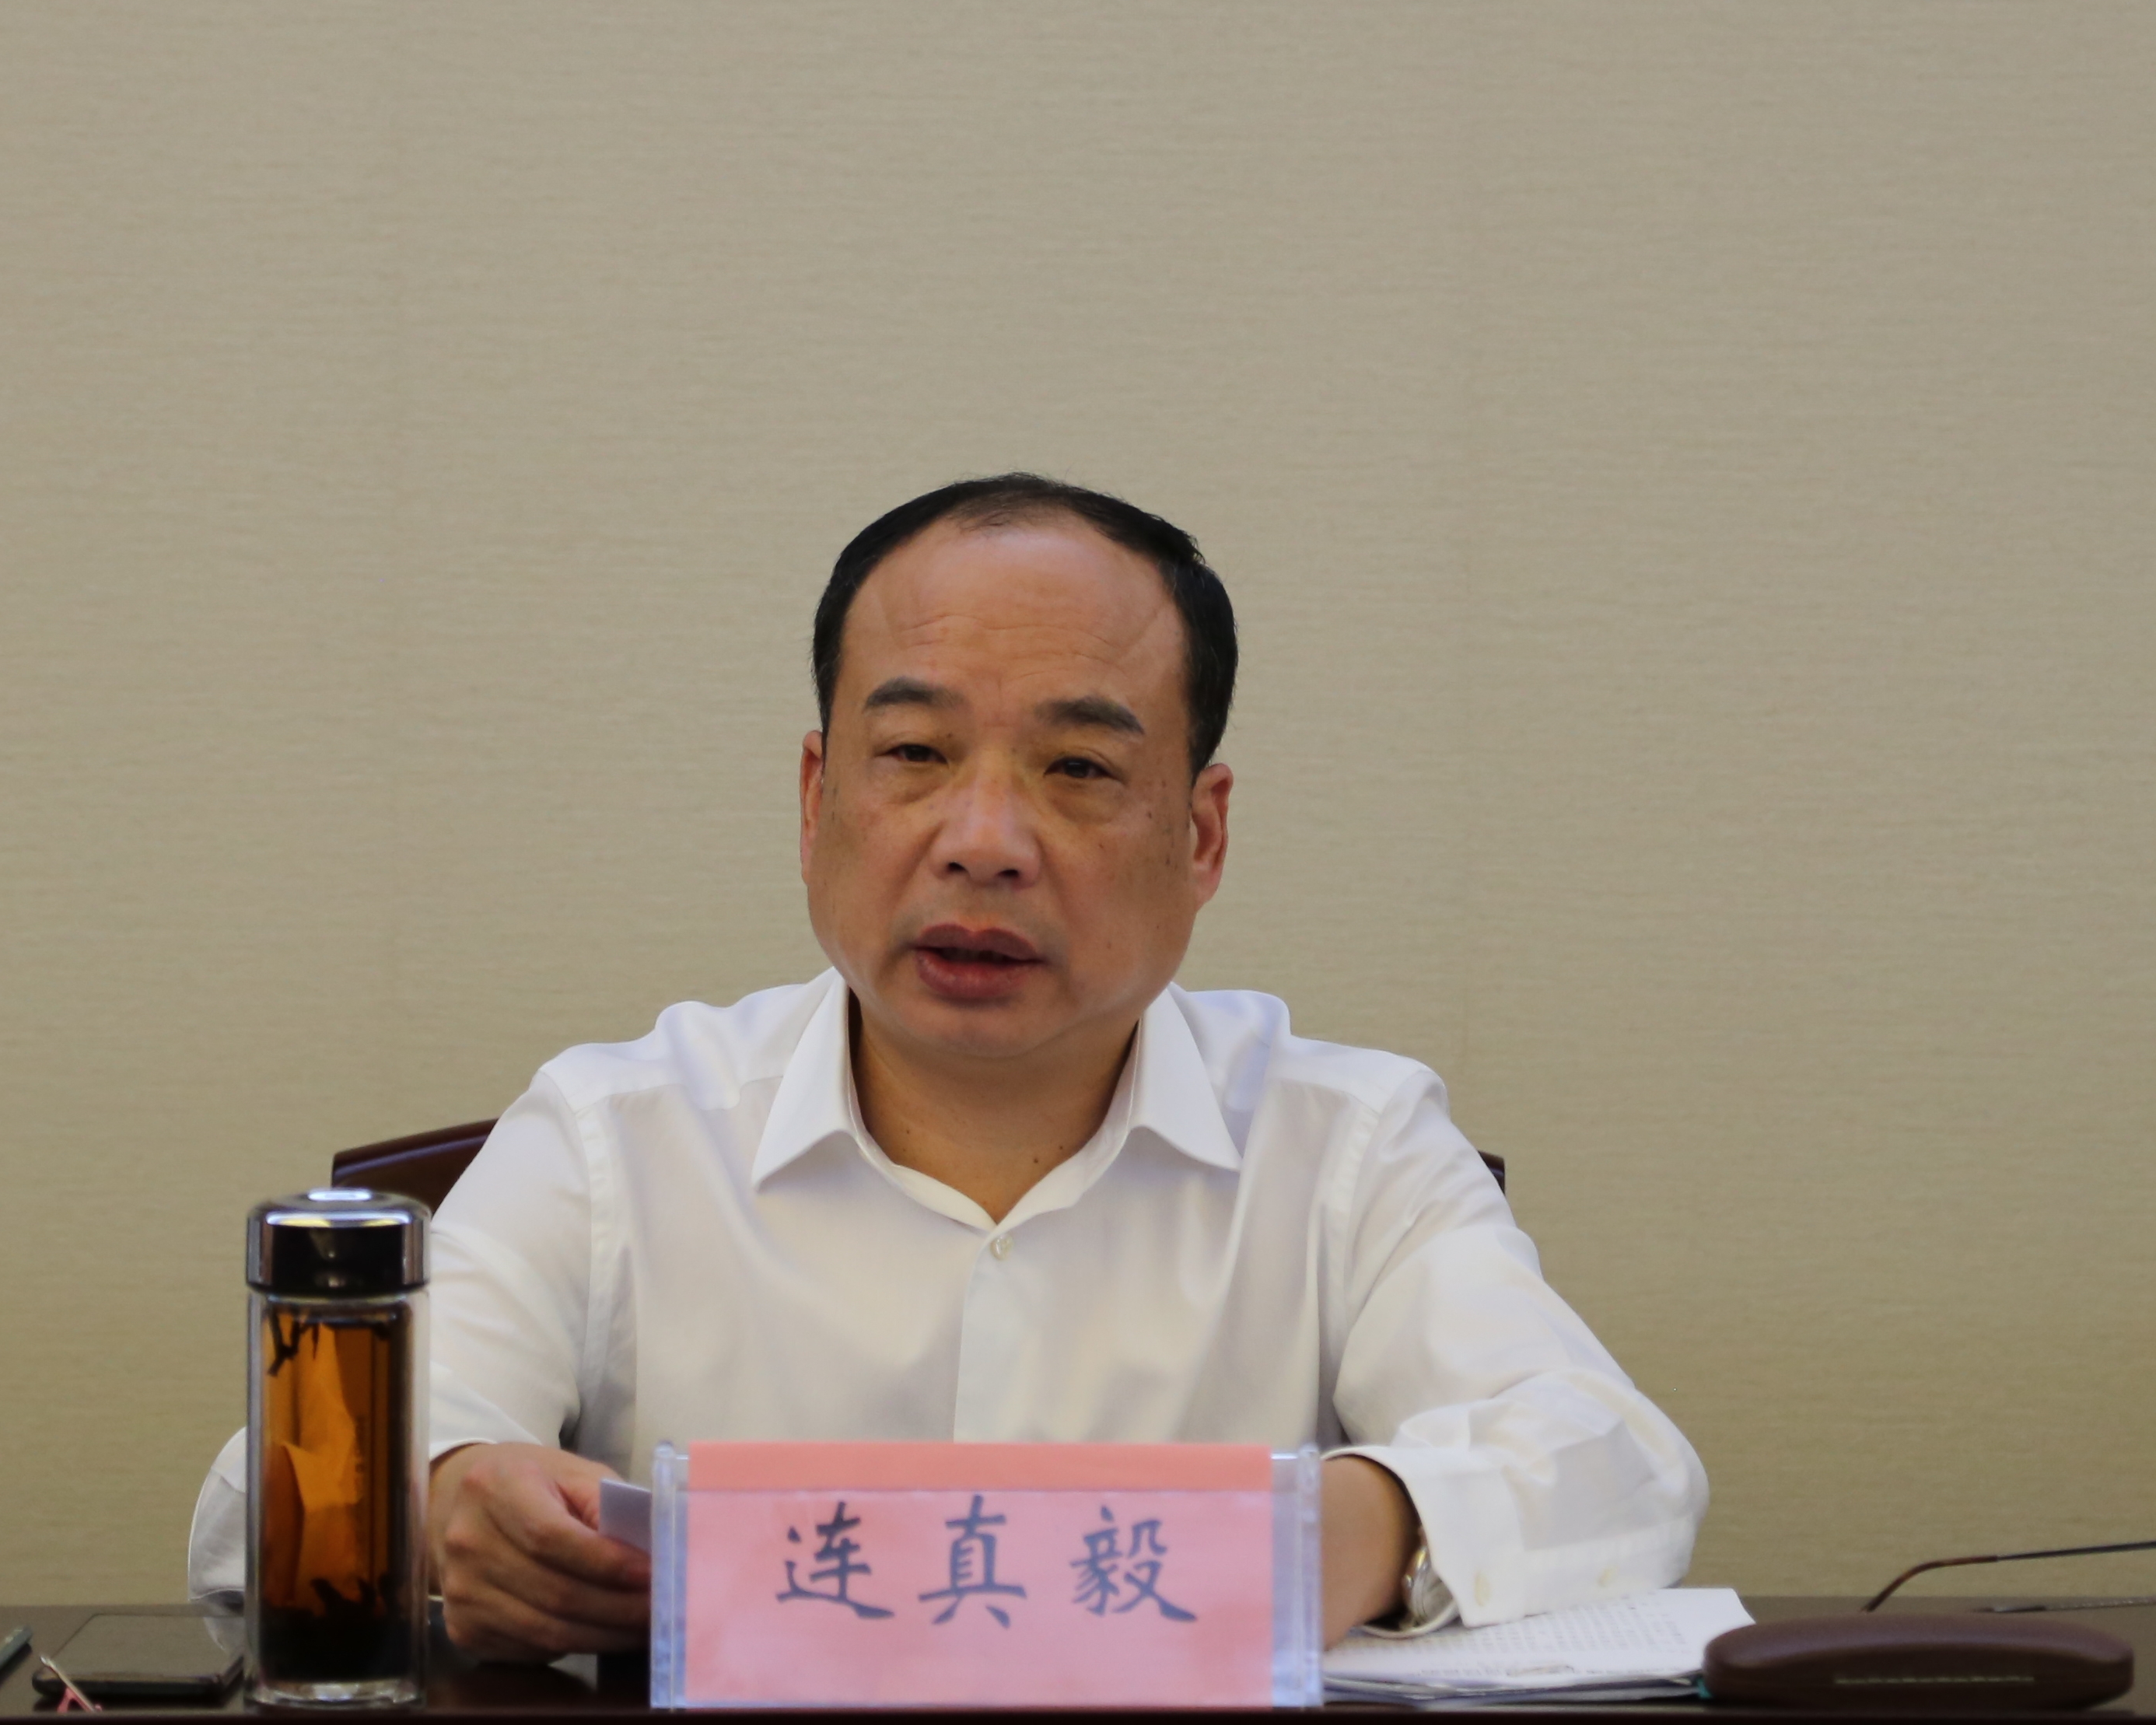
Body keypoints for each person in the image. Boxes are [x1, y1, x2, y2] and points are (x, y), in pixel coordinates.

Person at [188, 474, 1707, 1660]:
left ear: (1201, 835)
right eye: (913, 753)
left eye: (1079, 767)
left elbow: (1619, 1465)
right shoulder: (615, 1132)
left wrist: (1355, 1527)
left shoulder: (1349, 1143)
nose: (983, 841)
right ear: (815, 796)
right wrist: (447, 1497)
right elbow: (260, 1508)